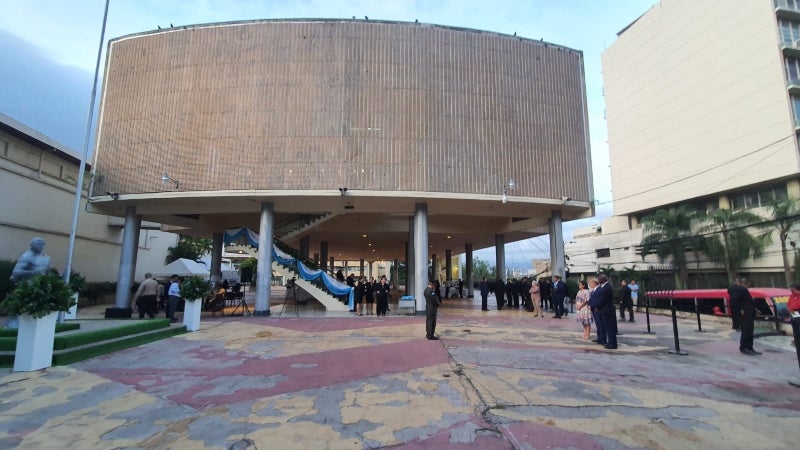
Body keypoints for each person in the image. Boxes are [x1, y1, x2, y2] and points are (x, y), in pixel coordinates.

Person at [729, 277, 761, 355]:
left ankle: (749, 347)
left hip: (749, 312)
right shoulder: (738, 289)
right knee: (746, 331)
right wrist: (741, 309)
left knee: (749, 331)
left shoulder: (740, 290)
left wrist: (754, 309)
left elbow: (746, 300)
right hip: (745, 313)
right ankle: (744, 347)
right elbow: (735, 301)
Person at [591, 274, 617, 349]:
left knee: (610, 328)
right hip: (604, 310)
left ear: (603, 279)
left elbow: (604, 299)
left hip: (607, 310)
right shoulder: (605, 287)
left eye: (599, 279)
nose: (598, 280)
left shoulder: (607, 287)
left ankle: (612, 344)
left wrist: (597, 307)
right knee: (608, 328)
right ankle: (610, 342)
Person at [587, 278, 605, 344]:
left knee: (600, 325)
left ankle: (602, 339)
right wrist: (589, 305)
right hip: (593, 309)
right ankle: (599, 338)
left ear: (594, 283)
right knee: (598, 325)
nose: (590, 284)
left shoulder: (599, 289)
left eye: (590, 283)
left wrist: (593, 306)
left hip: (597, 309)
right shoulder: (593, 290)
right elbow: (591, 299)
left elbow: (598, 300)